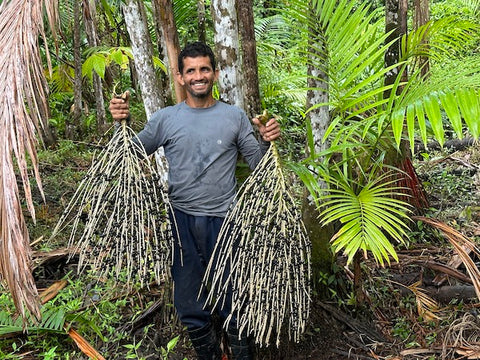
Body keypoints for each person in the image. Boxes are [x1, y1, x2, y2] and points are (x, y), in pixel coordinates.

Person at [109, 41, 280, 360]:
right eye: (191, 70)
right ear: (180, 77)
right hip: (181, 222)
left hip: (226, 222)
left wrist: (269, 141)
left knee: (234, 298)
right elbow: (128, 155)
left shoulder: (234, 116)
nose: (198, 75)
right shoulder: (165, 119)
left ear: (215, 74)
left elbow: (259, 164)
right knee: (190, 304)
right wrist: (119, 124)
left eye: (204, 69)